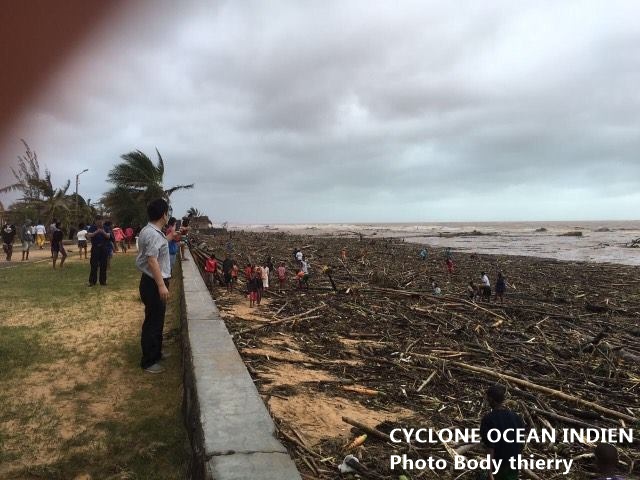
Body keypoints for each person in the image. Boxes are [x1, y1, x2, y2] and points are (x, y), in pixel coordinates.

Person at [136, 198, 171, 374]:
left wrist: (172, 237)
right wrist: (161, 285)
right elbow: (152, 260)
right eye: (167, 212)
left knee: (158, 320)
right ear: (163, 214)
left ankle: (156, 353)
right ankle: (148, 361)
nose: (168, 215)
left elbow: (158, 248)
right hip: (153, 282)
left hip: (154, 281)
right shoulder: (152, 233)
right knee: (152, 321)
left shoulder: (152, 231)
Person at [480, 384, 526, 480]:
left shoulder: (488, 419)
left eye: (488, 398)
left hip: (499, 466)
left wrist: (490, 473)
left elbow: (490, 447)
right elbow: (521, 443)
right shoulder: (516, 418)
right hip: (513, 465)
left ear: (491, 399)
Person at [87, 216, 111, 286]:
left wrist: (102, 232)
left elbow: (108, 236)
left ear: (102, 221)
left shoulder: (106, 228)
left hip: (104, 248)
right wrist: (96, 232)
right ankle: (92, 282)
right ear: (95, 221)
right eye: (98, 221)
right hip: (95, 247)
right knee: (94, 265)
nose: (99, 222)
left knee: (103, 265)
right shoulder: (92, 228)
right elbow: (89, 235)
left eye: (100, 221)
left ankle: (103, 282)